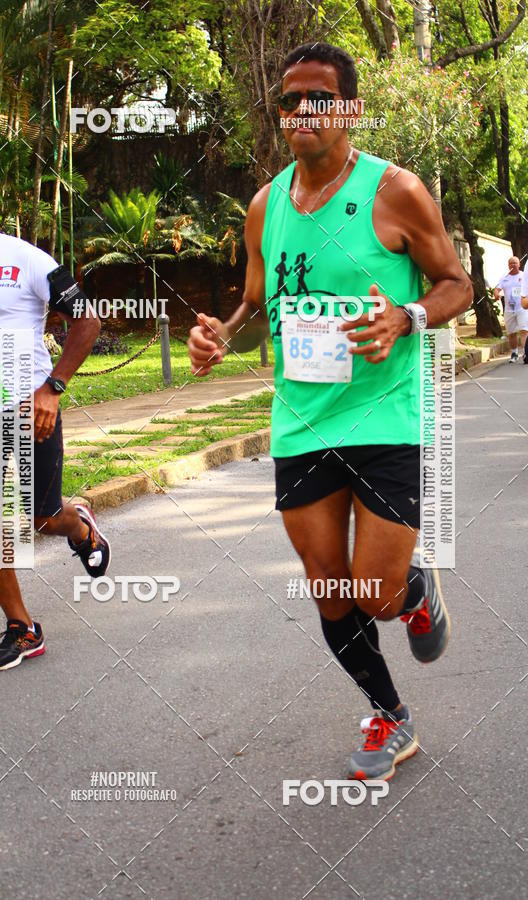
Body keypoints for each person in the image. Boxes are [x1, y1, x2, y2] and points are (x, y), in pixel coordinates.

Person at [188, 43, 472, 781]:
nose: (302, 111)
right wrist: (223, 333)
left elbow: (456, 285)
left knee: (374, 593)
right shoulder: (265, 204)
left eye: (319, 98)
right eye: (289, 100)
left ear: (348, 106)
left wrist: (406, 316)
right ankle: (389, 714)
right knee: (330, 585)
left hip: (385, 418)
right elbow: (256, 305)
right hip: (302, 423)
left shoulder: (396, 191)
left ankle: (412, 591)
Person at [0, 168, 111, 671]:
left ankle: (80, 528)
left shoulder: (28, 260)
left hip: (29, 411)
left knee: (39, 518)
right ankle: (22, 627)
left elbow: (87, 318)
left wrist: (52, 388)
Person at [494, 256, 525, 362]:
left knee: (524, 331)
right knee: (511, 333)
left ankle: (525, 353)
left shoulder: (524, 276)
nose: (513, 265)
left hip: (522, 308)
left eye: (515, 263)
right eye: (511, 263)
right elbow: (497, 288)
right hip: (509, 309)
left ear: (519, 264)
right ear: (508, 265)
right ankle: (514, 353)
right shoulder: (504, 277)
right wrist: (496, 294)